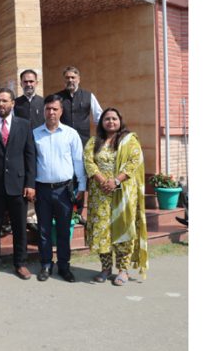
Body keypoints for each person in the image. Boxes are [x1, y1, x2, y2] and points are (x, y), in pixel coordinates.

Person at [0, 88, 36, 280]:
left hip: (18, 186)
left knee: (20, 226)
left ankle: (21, 263)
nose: (1, 104)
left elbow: (30, 156)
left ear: (12, 103)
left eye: (4, 101)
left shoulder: (24, 125)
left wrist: (30, 183)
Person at [83, 107, 148, 286]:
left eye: (114, 119)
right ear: (101, 123)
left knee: (123, 229)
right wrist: (103, 181)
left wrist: (116, 181)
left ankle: (123, 270)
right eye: (107, 119)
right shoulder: (93, 142)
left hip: (123, 194)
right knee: (102, 231)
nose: (110, 122)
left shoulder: (129, 141)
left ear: (120, 121)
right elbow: (89, 162)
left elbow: (134, 161)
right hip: (100, 194)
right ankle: (105, 268)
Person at [33, 94, 86, 283]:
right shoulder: (35, 134)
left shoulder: (70, 134)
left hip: (64, 190)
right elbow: (31, 163)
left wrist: (82, 186)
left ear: (61, 111)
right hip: (42, 190)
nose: (51, 112)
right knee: (44, 230)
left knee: (64, 230)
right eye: (48, 109)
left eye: (55, 109)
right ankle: (46, 264)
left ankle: (64, 266)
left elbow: (78, 161)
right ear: (43, 111)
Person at [13, 70, 45, 234]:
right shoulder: (16, 103)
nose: (29, 84)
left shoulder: (44, 103)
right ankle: (27, 217)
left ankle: (36, 216)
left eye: (31, 81)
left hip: (41, 148)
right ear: (21, 83)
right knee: (24, 179)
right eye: (25, 82)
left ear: (37, 83)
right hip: (21, 149)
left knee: (38, 179)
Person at [52, 66, 102, 145]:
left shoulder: (89, 96)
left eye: (73, 77)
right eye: (67, 78)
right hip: (62, 140)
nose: (70, 80)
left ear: (78, 79)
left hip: (83, 140)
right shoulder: (57, 97)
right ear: (64, 80)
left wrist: (101, 136)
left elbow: (99, 117)